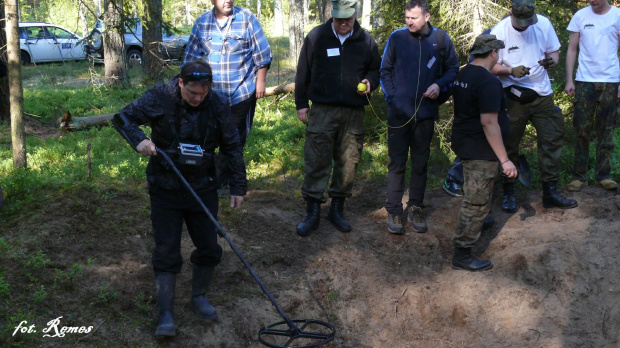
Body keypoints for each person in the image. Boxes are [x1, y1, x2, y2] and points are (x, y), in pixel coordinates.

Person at [117, 61, 247, 336]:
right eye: (192, 94)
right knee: (166, 250)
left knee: (210, 247)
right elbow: (123, 118)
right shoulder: (160, 96)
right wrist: (138, 140)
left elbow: (232, 145)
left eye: (203, 93)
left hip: (203, 187)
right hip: (166, 187)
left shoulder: (217, 103)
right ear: (180, 83)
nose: (199, 99)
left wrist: (237, 185)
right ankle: (166, 313)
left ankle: (199, 297)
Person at [294, 0, 381, 236]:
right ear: (331, 15)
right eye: (339, 19)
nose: (343, 23)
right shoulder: (316, 37)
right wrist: (301, 104)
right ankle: (312, 211)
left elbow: (375, 69)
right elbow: (303, 72)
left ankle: (337, 209)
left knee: (349, 161)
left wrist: (371, 82)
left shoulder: (366, 41)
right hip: (322, 110)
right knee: (316, 159)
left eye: (348, 19)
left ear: (355, 15)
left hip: (354, 112)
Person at [490, 0, 577, 212]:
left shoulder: (543, 24)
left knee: (551, 139)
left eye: (529, 22)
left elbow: (553, 52)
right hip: (513, 96)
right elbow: (489, 66)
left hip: (542, 94)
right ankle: (508, 191)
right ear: (511, 14)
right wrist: (509, 72)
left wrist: (552, 62)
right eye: (521, 22)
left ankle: (550, 191)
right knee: (509, 143)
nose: (525, 26)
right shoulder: (499, 31)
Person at [380, 0, 459, 234]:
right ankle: (394, 211)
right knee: (397, 163)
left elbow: (453, 70)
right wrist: (393, 98)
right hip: (398, 114)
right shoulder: (397, 38)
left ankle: (415, 207)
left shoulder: (441, 40)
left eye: (413, 18)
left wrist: (439, 84)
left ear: (427, 16)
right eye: (407, 17)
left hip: (425, 114)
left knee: (420, 163)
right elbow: (384, 70)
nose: (409, 22)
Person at [183, 0, 272, 191]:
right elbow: (189, 59)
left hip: (241, 92)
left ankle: (230, 183)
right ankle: (208, 178)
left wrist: (261, 81)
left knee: (234, 140)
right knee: (207, 136)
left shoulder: (246, 19)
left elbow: (263, 54)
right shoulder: (202, 23)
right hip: (211, 95)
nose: (228, 0)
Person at [451, 34, 518, 271]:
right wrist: (505, 159)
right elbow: (489, 123)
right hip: (479, 148)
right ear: (493, 54)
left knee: (477, 191)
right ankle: (462, 255)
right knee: (476, 202)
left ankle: (480, 222)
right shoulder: (488, 82)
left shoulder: (463, 74)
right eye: (497, 53)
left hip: (465, 142)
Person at [564, 0, 620, 192]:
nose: (592, 1)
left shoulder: (618, 16)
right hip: (584, 80)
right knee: (581, 130)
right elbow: (572, 49)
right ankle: (579, 177)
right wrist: (569, 80)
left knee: (606, 131)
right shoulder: (580, 16)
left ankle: (603, 176)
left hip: (611, 80)